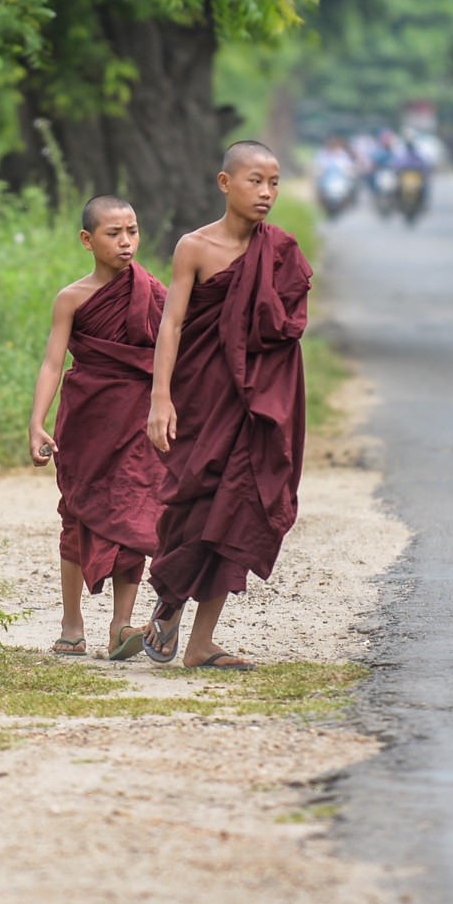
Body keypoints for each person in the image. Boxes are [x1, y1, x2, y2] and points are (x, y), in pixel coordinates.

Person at [144, 141, 312, 670]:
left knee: (236, 508)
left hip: (256, 403)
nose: (266, 193)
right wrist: (160, 397)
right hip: (202, 396)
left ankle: (202, 642)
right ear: (225, 183)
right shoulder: (194, 247)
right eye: (255, 180)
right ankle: (169, 604)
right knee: (193, 505)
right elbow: (172, 325)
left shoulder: (280, 250)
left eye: (275, 182)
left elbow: (283, 331)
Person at [28, 196, 168, 660]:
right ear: (88, 240)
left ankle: (120, 626)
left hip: (138, 420)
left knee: (134, 512)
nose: (126, 242)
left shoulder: (153, 292)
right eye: (114, 233)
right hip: (86, 419)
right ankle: (72, 626)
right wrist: (36, 422)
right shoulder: (72, 298)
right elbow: (52, 363)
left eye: (133, 231)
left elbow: (173, 358)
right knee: (78, 512)